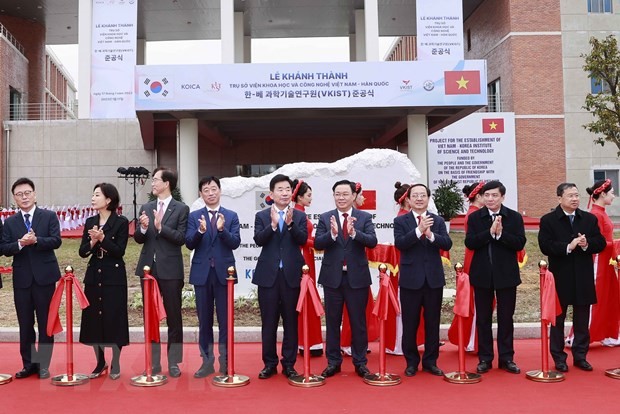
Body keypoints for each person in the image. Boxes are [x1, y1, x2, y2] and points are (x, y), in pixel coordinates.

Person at [539, 182, 606, 372]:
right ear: (559, 198)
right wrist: (569, 247)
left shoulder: (589, 219)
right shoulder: (549, 220)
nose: (575, 199)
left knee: (582, 319)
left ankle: (580, 355)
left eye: (576, 195)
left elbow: (599, 242)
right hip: (560, 276)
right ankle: (559, 358)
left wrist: (586, 244)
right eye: (570, 196)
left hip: (583, 275)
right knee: (558, 320)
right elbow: (545, 245)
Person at [315, 179, 378, 378]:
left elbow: (372, 241)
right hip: (332, 278)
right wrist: (332, 235)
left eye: (345, 194)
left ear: (353, 196)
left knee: (358, 322)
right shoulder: (326, 218)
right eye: (337, 194)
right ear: (333, 196)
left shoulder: (364, 217)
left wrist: (354, 233)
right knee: (333, 322)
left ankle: (360, 362)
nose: (341, 198)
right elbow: (317, 242)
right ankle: (333, 362)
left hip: (356, 278)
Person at [2, 177, 62, 379]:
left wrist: (36, 241)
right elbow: (4, 248)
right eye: (19, 194)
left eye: (27, 193)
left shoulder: (49, 216)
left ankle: (43, 364)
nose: (24, 197)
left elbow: (56, 241)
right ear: (14, 198)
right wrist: (20, 243)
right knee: (25, 324)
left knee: (46, 324)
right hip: (22, 280)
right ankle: (28, 364)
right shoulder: (10, 222)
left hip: (45, 278)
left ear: (34, 194)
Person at [465, 180, 526, 374]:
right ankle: (485, 358)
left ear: (502, 197)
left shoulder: (514, 217)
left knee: (506, 317)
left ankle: (507, 358)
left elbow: (519, 243)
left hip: (506, 275)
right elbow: (470, 242)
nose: (490, 199)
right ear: (482, 197)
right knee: (483, 318)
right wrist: (489, 232)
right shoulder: (475, 218)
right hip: (482, 275)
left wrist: (501, 235)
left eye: (494, 195)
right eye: (487, 195)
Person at [134, 167, 189, 378]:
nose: (153, 183)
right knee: (150, 317)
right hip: (148, 268)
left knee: (174, 316)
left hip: (171, 269)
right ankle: (153, 362)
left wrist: (160, 227)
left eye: (156, 180)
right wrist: (143, 228)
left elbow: (181, 238)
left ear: (167, 183)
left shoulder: (181, 209)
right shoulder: (146, 207)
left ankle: (173, 362)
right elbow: (139, 239)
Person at [252, 174, 307, 379]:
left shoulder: (300, 216)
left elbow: (302, 240)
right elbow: (258, 240)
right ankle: (269, 363)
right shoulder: (262, 216)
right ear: (272, 194)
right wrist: (273, 225)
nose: (285, 193)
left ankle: (289, 364)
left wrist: (290, 225)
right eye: (280, 189)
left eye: (288, 189)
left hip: (292, 276)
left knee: (291, 321)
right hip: (268, 277)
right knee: (269, 322)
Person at [394, 184, 452, 377]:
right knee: (410, 322)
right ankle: (411, 362)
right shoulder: (401, 221)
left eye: (423, 195)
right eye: (415, 196)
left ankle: (430, 361)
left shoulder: (438, 220)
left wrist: (431, 235)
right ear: (408, 200)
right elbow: (401, 244)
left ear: (428, 198)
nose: (419, 199)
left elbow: (447, 243)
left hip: (433, 279)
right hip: (411, 280)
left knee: (432, 322)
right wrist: (418, 231)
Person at [186, 176, 241, 377]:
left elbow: (235, 242)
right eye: (206, 190)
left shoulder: (231, 215)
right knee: (204, 320)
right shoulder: (194, 216)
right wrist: (201, 231)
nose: (210, 193)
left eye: (213, 189)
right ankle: (206, 361)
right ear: (201, 193)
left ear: (220, 191)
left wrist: (221, 229)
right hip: (202, 274)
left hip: (224, 274)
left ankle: (226, 361)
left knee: (226, 321)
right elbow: (189, 243)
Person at [79, 183, 129, 380]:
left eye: (97, 195)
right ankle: (100, 362)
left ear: (108, 200)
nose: (93, 198)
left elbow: (119, 251)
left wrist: (103, 238)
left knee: (114, 317)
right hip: (94, 275)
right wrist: (92, 241)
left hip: (113, 276)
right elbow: (82, 252)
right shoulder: (90, 221)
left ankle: (115, 361)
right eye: (92, 194)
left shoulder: (121, 222)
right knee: (94, 318)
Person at [447, 181, 485, 351]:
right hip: (475, 257)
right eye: (487, 194)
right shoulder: (474, 214)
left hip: (474, 256)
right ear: (478, 196)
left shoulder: (475, 212)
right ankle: (471, 340)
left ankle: (472, 340)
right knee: (476, 302)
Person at [292, 179, 323, 357]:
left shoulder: (300, 213)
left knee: (307, 298)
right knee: (306, 298)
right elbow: (301, 239)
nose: (311, 198)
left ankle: (308, 342)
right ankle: (308, 343)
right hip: (303, 257)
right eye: (309, 195)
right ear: (300, 197)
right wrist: (321, 242)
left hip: (307, 256)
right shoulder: (298, 215)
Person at [587, 179, 619, 346]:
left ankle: (607, 333)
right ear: (603, 194)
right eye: (612, 193)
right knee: (596, 298)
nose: (614, 196)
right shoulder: (595, 215)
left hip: (607, 261)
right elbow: (595, 242)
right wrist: (615, 244)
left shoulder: (602, 212)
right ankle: (583, 335)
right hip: (598, 261)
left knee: (609, 297)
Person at [384, 181, 411, 355]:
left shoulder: (410, 215)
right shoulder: (402, 218)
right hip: (401, 267)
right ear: (406, 200)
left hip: (405, 266)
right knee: (401, 306)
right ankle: (398, 343)